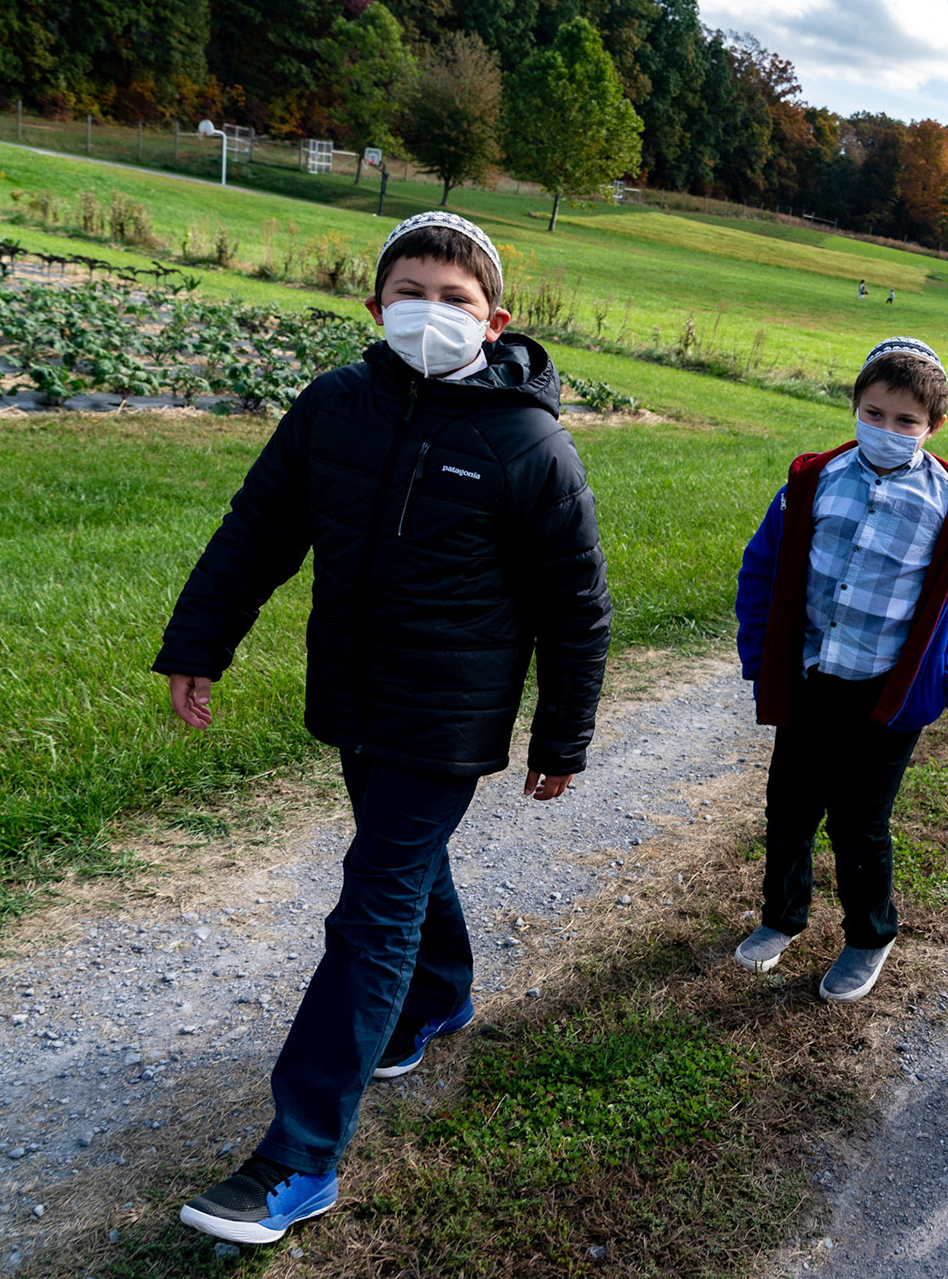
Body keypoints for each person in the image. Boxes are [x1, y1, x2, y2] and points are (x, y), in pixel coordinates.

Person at [159, 211, 612, 1244]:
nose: (431, 312)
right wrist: (200, 641)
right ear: (375, 307)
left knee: (374, 906)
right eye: (411, 291)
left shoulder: (528, 445)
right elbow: (257, 529)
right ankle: (440, 997)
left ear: (494, 321)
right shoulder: (335, 407)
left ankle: (297, 1157)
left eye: (455, 299)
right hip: (355, 696)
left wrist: (562, 737)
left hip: (447, 718)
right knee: (400, 864)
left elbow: (576, 606)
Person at [733, 337, 948, 1001]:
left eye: (905, 421)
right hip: (811, 679)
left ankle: (868, 934)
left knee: (859, 822)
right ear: (855, 406)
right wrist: (757, 648)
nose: (886, 429)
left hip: (889, 696)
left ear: (933, 427)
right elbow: (761, 566)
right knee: (789, 808)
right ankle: (782, 917)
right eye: (874, 414)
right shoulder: (812, 480)